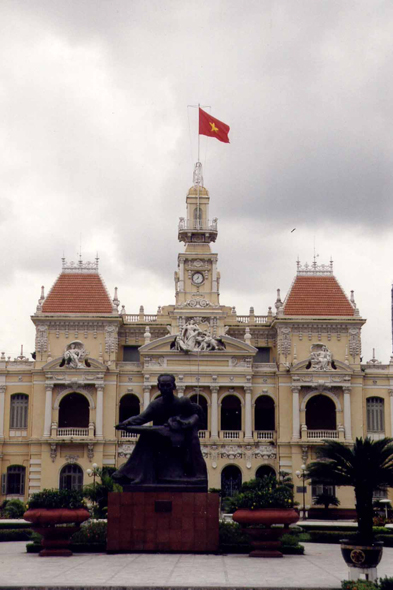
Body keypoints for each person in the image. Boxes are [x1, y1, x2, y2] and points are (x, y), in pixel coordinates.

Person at [112, 374, 207, 489]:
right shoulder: (156, 405)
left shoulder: (180, 403)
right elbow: (141, 418)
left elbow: (195, 416)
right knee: (147, 437)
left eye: (168, 385)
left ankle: (129, 473)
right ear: (158, 387)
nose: (166, 388)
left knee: (149, 437)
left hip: (179, 439)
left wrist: (184, 424)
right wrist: (125, 423)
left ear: (174, 386)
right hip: (160, 437)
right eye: (163, 386)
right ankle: (141, 476)